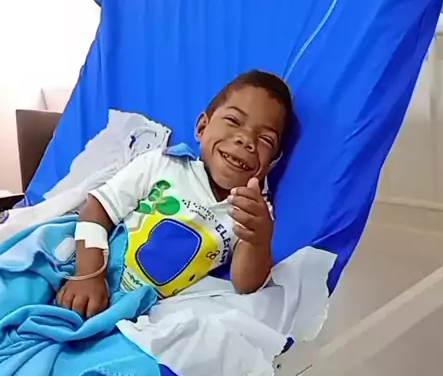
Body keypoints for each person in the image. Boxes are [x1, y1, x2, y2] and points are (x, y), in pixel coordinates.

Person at [56, 70, 293, 318]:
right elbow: (97, 209)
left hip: (146, 312)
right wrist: (88, 275)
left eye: (266, 139)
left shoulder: (252, 212)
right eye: (234, 121)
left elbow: (246, 285)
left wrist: (258, 241)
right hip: (94, 268)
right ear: (202, 127)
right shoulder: (163, 164)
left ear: (272, 163)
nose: (246, 140)